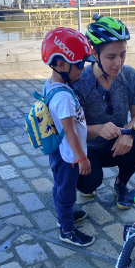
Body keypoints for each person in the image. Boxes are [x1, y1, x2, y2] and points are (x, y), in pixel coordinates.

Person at [72, 16, 135, 209]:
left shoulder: (129, 76)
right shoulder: (80, 82)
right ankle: (88, 183)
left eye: (123, 54)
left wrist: (129, 133)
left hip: (115, 146)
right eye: (111, 57)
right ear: (94, 53)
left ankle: (120, 184)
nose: (119, 63)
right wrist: (97, 129)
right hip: (86, 149)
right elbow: (70, 129)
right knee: (89, 184)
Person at [41, 27, 97, 248]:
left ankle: (64, 215)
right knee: (66, 190)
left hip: (61, 150)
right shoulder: (63, 96)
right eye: (80, 65)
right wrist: (82, 158)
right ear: (62, 65)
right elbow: (71, 131)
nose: (83, 70)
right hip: (68, 154)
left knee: (60, 185)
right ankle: (67, 229)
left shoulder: (53, 84)